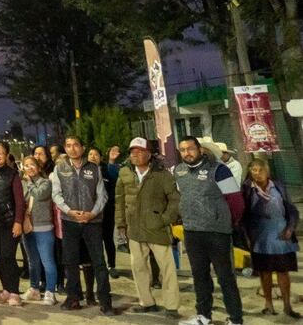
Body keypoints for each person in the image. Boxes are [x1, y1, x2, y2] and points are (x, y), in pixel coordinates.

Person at [174, 135, 244, 325]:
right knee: (200, 277)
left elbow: (235, 200)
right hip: (192, 232)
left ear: (200, 150)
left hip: (217, 233)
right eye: (182, 150)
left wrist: (229, 222)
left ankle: (236, 319)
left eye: (190, 148)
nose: (187, 153)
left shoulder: (219, 170)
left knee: (226, 278)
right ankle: (203, 317)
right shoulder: (179, 171)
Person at [115, 137, 180, 317]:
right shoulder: (125, 173)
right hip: (134, 229)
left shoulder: (162, 174)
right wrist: (121, 223)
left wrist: (165, 219)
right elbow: (119, 199)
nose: (135, 154)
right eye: (132, 152)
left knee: (166, 269)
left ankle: (172, 306)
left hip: (157, 228)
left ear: (149, 154)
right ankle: (146, 302)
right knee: (139, 268)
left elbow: (175, 199)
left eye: (140, 151)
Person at [50, 136, 114, 315]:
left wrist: (92, 213)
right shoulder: (59, 168)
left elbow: (102, 195)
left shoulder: (94, 169)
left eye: (76, 145)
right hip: (70, 221)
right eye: (68, 146)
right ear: (65, 148)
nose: (72, 149)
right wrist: (69, 211)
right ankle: (73, 298)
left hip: (92, 222)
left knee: (99, 262)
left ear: (83, 148)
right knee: (70, 262)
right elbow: (56, 194)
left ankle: (105, 301)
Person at [241, 157, 299, 319]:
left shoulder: (278, 186)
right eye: (254, 170)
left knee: (283, 271)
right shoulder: (247, 190)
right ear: (250, 172)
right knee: (264, 271)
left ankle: (288, 306)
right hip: (260, 237)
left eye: (261, 170)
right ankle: (268, 304)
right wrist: (246, 236)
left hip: (282, 236)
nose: (258, 173)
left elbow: (292, 210)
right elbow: (243, 215)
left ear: (268, 172)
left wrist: (290, 228)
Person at [0, 141, 25, 306]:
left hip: (9, 222)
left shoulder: (12, 175)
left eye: (0, 153)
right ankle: (6, 289)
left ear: (7, 155)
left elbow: (20, 201)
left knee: (9, 256)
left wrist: (18, 221)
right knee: (0, 258)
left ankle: (15, 292)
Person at [20, 156, 57, 305]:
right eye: (26, 165)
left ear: (39, 167)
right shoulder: (24, 184)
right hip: (28, 228)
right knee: (33, 261)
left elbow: (39, 194)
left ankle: (50, 291)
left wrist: (28, 182)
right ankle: (34, 289)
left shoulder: (46, 183)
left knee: (47, 261)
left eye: (32, 165)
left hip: (44, 228)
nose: (29, 168)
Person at [101, 146, 121, 278]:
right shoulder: (85, 170)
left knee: (108, 238)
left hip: (107, 209)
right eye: (90, 154)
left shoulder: (109, 169)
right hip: (90, 212)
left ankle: (111, 265)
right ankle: (98, 265)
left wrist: (112, 161)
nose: (93, 157)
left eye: (95, 154)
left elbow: (114, 178)